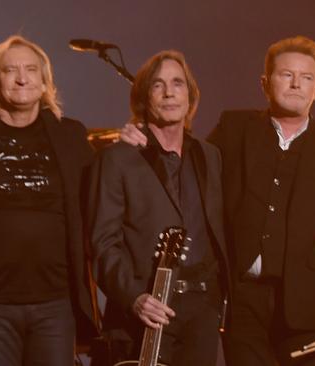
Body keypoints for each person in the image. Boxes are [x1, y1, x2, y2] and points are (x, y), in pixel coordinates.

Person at [118, 36, 315, 366]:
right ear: (265, 83)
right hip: (240, 303)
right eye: (285, 75)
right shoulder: (235, 128)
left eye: (306, 77)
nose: (295, 84)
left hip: (306, 312)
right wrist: (143, 135)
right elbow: (183, 162)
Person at [0, 35, 98, 366]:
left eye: (31, 70)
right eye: (10, 70)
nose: (22, 78)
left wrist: (132, 142)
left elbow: (100, 199)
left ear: (44, 83)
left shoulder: (71, 136)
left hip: (55, 302)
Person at [89, 50, 229, 366]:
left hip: (202, 310)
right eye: (158, 85)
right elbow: (103, 243)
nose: (169, 93)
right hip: (147, 307)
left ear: (190, 95)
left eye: (178, 83)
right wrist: (135, 298)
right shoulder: (117, 158)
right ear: (142, 96)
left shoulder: (210, 156)